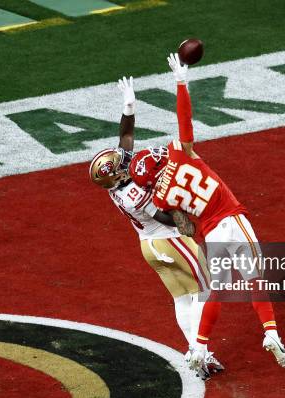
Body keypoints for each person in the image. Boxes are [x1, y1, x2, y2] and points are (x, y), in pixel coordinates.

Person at [128, 55, 285, 374]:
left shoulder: (161, 197)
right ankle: (271, 333)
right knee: (255, 279)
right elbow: (185, 122)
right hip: (232, 218)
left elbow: (186, 226)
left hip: (212, 232)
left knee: (217, 288)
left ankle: (200, 346)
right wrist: (180, 82)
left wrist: (200, 239)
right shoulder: (179, 155)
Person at [89, 76, 224, 378]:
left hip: (148, 246)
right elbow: (159, 214)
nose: (122, 159)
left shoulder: (118, 184)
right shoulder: (131, 192)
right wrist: (182, 218)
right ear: (114, 176)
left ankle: (194, 351)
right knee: (205, 291)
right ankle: (201, 351)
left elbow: (124, 140)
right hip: (169, 239)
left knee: (182, 297)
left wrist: (129, 106)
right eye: (117, 163)